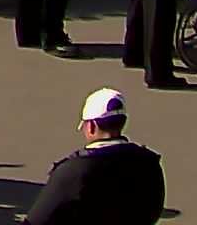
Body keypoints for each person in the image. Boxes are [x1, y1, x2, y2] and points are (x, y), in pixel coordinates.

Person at [19, 88, 162, 225]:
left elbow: (37, 221)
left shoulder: (72, 171)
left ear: (91, 126)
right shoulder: (149, 163)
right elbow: (154, 212)